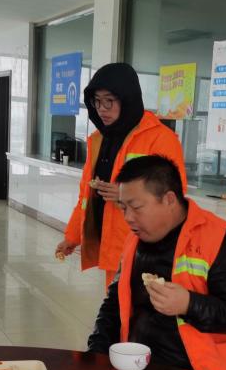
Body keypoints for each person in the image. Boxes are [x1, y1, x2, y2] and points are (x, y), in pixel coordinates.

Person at [88, 155, 226, 370]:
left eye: (136, 207)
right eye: (123, 207)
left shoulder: (221, 239)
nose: (128, 217)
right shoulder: (135, 239)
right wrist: (96, 353)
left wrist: (189, 304)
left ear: (169, 199)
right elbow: (115, 302)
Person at [56, 63, 186, 287]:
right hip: (113, 249)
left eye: (109, 101)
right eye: (97, 101)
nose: (102, 109)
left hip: (148, 252)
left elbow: (175, 199)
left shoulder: (161, 139)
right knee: (116, 306)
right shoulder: (99, 140)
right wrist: (72, 236)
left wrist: (127, 196)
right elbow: (86, 197)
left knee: (141, 308)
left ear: (127, 99)